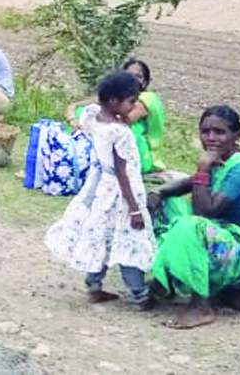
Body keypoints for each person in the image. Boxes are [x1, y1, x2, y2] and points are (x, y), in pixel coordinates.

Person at [149, 105, 240, 329]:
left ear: (236, 135)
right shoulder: (221, 162)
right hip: (226, 241)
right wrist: (158, 193)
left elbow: (205, 213)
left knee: (190, 226)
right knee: (157, 204)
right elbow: (186, 184)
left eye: (219, 132)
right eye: (205, 131)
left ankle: (200, 306)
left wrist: (202, 168)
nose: (211, 138)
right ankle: (170, 278)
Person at [45, 72, 156, 309]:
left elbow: (84, 110)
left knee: (102, 237)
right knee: (129, 240)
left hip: (101, 190)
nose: (135, 106)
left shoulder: (93, 117)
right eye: (131, 101)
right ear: (115, 102)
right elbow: (122, 172)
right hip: (121, 194)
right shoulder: (120, 133)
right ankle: (140, 294)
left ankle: (93, 284)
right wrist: (134, 209)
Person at [65, 58, 166, 173]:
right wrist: (74, 120)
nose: (133, 79)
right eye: (129, 75)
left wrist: (90, 121)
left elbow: (122, 122)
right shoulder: (115, 97)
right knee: (85, 111)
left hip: (137, 155)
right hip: (110, 149)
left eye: (138, 76)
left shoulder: (147, 99)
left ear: (145, 82)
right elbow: (73, 106)